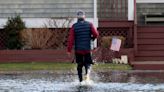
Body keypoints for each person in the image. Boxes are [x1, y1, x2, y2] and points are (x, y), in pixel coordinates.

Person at [67, 10, 99, 82]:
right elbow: (96, 34)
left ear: (77, 17)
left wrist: (69, 50)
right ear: (84, 17)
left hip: (78, 50)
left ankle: (80, 81)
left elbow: (71, 40)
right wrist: (92, 39)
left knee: (79, 65)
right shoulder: (89, 24)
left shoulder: (74, 26)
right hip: (87, 49)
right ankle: (87, 75)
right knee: (87, 63)